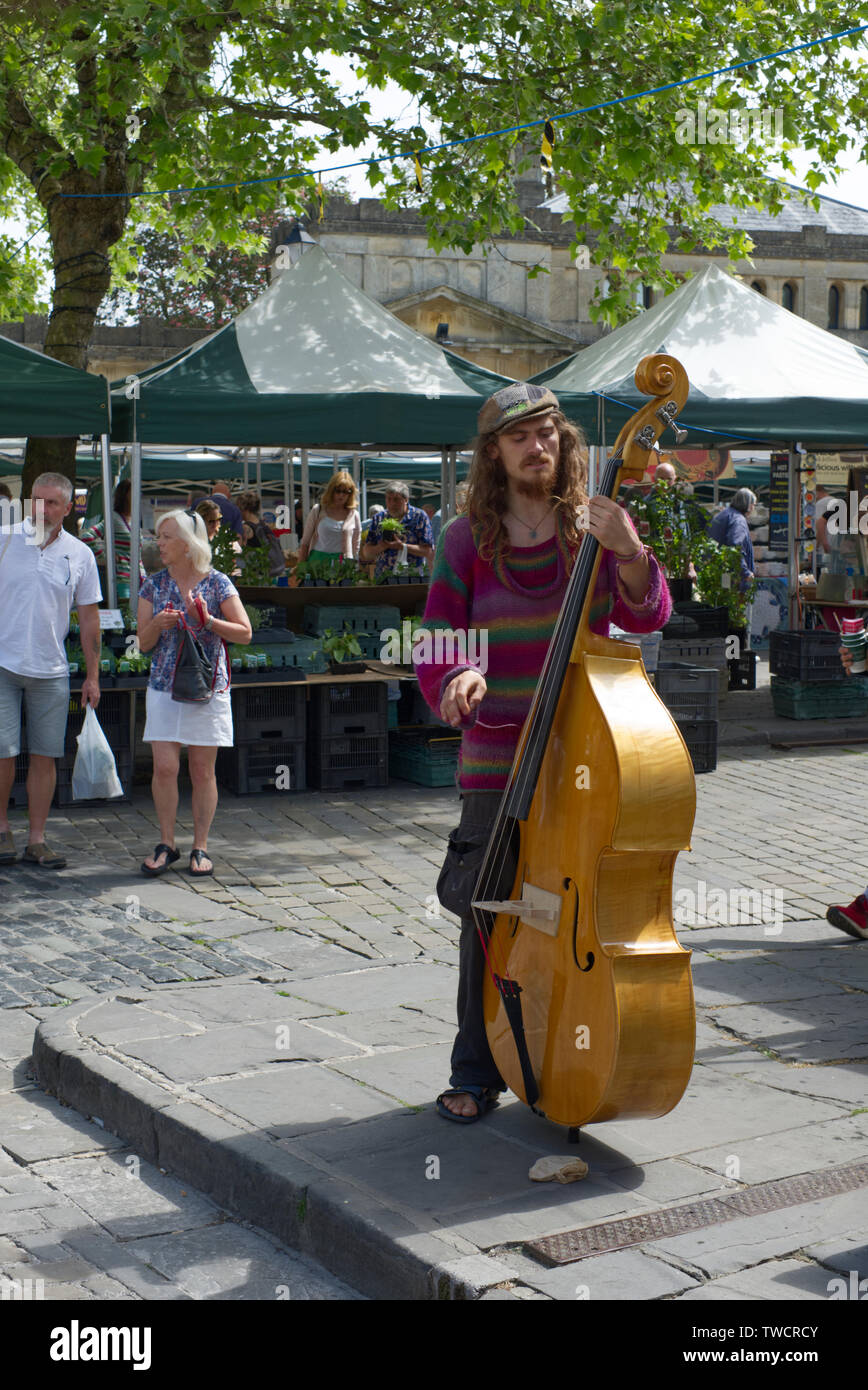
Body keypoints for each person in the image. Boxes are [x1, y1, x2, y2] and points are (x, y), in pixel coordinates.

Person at [414, 382, 672, 1122]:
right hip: (498, 758)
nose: (538, 447)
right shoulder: (464, 540)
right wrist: (455, 675)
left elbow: (647, 611)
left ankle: (575, 1048)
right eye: (520, 437)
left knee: (582, 911)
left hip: (589, 756)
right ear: (493, 452)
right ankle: (476, 1068)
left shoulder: (591, 530)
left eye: (549, 434)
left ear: (565, 445)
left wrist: (627, 549)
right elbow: (436, 638)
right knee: (488, 915)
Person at [137, 510, 252, 878]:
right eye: (159, 536)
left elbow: (245, 632)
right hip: (164, 687)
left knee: (202, 771)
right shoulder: (152, 586)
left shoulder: (218, 583)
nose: (160, 543)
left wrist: (209, 622)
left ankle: (200, 846)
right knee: (165, 767)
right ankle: (167, 843)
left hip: (206, 688)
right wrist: (157, 622)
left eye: (166, 537)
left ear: (188, 544)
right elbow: (142, 643)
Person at [0, 472, 102, 870]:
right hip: (3, 663)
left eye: (52, 503)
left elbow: (90, 619)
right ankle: (2, 828)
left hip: (51, 668)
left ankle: (37, 839)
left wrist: (92, 675)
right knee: (2, 753)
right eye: (36, 501)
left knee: (46, 755)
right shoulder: (5, 537)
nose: (41, 510)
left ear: (68, 507)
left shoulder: (80, 554)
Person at [80, 479, 146, 596]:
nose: (138, 495)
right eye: (134, 492)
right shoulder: (114, 518)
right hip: (122, 581)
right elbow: (86, 536)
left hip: (139, 579)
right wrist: (106, 557)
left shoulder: (134, 520)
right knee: (127, 612)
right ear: (125, 495)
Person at [360, 481, 434, 578]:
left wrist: (403, 547)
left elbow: (428, 551)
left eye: (396, 499)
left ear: (406, 500)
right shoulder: (379, 518)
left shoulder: (419, 517)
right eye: (389, 499)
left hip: (411, 578)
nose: (392, 504)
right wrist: (380, 547)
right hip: (383, 579)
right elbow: (367, 553)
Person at [297, 471, 361, 570]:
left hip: (342, 564)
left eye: (346, 492)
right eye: (338, 491)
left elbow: (356, 546)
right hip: (317, 562)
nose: (341, 495)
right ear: (331, 490)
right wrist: (300, 568)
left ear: (350, 493)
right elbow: (305, 542)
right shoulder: (318, 510)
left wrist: (354, 566)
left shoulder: (354, 515)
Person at [708, 488, 756, 587]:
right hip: (731, 577)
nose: (753, 508)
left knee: (721, 599)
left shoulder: (725, 514)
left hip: (719, 573)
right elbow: (735, 547)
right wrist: (746, 573)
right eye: (754, 505)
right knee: (728, 600)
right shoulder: (738, 520)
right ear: (749, 505)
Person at [235, 489, 287, 577]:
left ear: (244, 509)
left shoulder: (246, 528)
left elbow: (240, 551)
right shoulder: (263, 525)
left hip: (257, 573)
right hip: (269, 570)